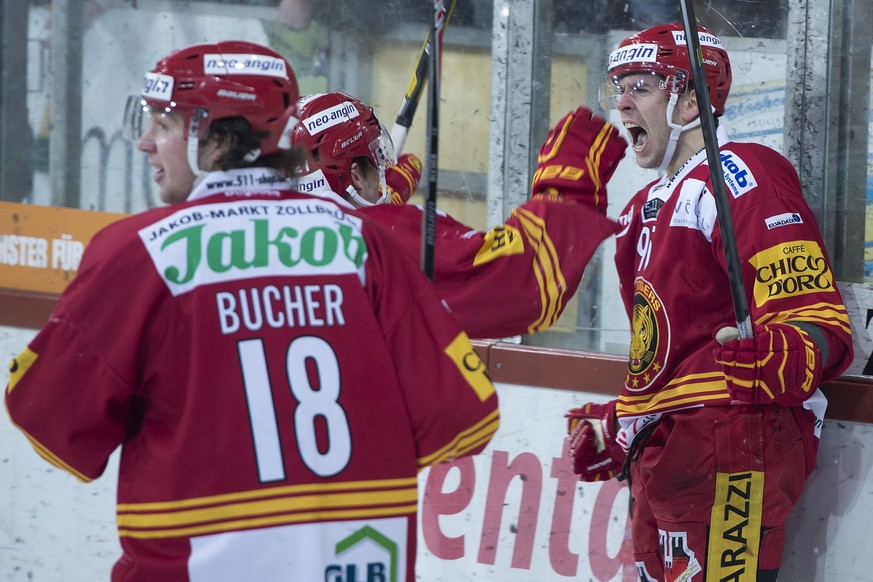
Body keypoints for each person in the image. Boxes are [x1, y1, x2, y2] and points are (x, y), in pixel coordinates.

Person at [5, 40, 499, 581]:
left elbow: (52, 421)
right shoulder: (366, 247)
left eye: (165, 125)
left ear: (217, 142)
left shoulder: (138, 254)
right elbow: (464, 419)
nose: (146, 142)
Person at [564, 23, 853, 581]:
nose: (621, 101)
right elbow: (665, 354)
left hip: (733, 452)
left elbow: (818, 320)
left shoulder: (740, 176)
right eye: (617, 85)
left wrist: (784, 353)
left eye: (642, 85)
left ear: (692, 97)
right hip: (667, 459)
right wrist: (623, 418)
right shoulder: (641, 210)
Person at [291, 90, 629, 339]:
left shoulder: (271, 238)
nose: (384, 168)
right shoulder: (389, 242)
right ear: (352, 176)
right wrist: (567, 180)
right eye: (374, 160)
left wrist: (375, 208)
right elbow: (522, 281)